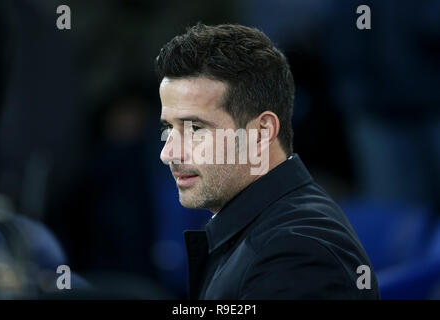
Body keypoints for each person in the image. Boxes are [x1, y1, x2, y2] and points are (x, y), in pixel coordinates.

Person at [155, 23, 380, 299]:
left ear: (261, 132)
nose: (169, 153)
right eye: (168, 129)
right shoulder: (264, 233)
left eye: (195, 129)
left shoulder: (296, 256)